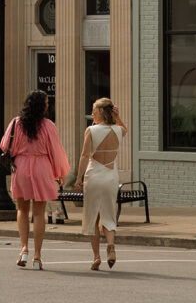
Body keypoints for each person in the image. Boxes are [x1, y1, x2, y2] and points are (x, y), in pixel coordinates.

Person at [0, 89, 70, 271]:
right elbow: (56, 151)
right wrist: (59, 173)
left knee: (22, 210)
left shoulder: (16, 123)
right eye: (47, 103)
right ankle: (37, 256)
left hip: (21, 167)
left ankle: (24, 249)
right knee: (39, 213)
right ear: (42, 106)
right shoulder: (48, 126)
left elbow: (4, 145)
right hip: (42, 167)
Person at [73, 97, 128, 270]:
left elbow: (84, 155)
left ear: (102, 111)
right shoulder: (118, 130)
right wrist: (117, 116)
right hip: (111, 176)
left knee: (93, 216)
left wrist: (78, 178)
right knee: (109, 214)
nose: (92, 113)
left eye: (94, 110)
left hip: (94, 175)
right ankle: (110, 246)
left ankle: (96, 257)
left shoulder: (91, 130)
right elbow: (123, 128)